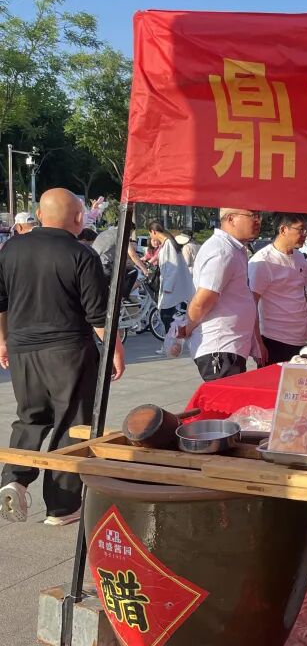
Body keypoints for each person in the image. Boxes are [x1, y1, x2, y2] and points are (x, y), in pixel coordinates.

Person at [0, 189, 124, 525]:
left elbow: (1, 302)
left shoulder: (11, 249)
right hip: (68, 350)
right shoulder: (81, 254)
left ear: (40, 215)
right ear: (80, 218)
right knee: (71, 425)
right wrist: (115, 351)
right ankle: (62, 507)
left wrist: (3, 342)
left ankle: (14, 479)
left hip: (23, 349)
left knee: (30, 418)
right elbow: (97, 314)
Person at [176, 208, 261, 381]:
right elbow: (202, 301)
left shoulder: (233, 248)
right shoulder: (223, 252)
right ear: (231, 219)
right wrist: (188, 328)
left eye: (259, 216)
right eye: (253, 215)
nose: (258, 221)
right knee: (225, 398)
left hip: (229, 347)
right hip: (220, 349)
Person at [248, 213, 307, 364]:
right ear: (283, 229)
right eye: (301, 229)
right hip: (274, 340)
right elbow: (251, 304)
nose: (305, 234)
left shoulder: (300, 258)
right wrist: (257, 343)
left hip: (302, 341)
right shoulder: (263, 262)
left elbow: (302, 297)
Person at [148, 221, 195, 333]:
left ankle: (171, 341)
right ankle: (171, 341)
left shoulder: (168, 244)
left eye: (149, 233)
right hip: (171, 287)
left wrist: (167, 287)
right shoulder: (168, 243)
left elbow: (173, 267)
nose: (150, 236)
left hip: (171, 289)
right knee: (168, 317)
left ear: (153, 232)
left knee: (167, 317)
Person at [93, 223, 148, 300]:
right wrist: (144, 270)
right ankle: (121, 299)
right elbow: (132, 254)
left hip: (94, 266)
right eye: (130, 233)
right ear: (129, 229)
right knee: (133, 272)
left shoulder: (105, 233)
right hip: (105, 268)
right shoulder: (121, 234)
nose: (130, 235)